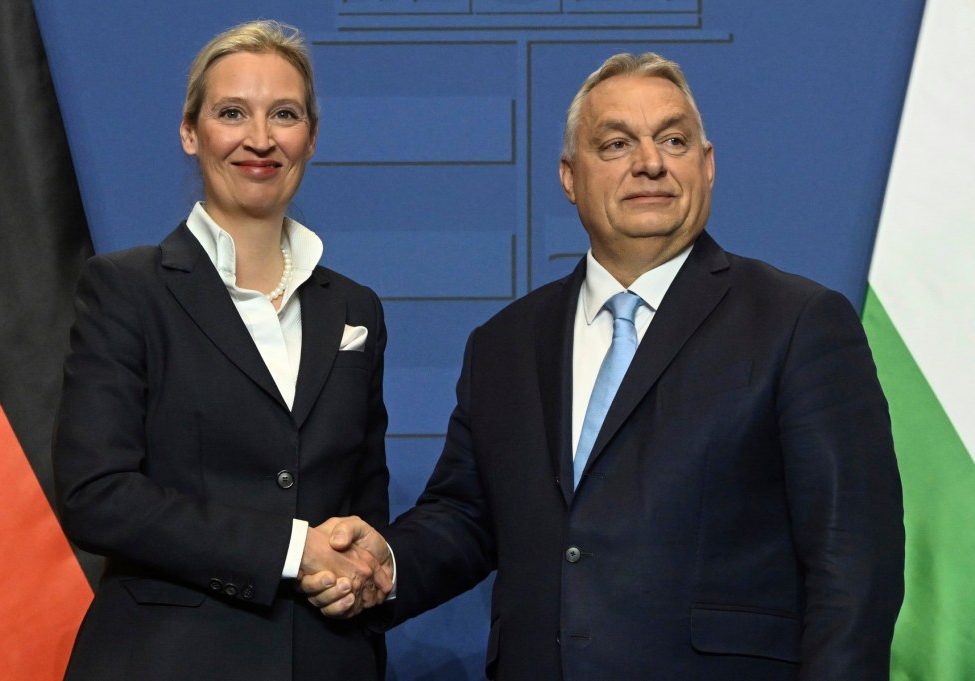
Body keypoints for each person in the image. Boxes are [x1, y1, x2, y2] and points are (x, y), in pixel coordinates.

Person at [305, 52, 905, 680]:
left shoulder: (797, 322)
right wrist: (388, 562)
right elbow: (467, 516)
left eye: (674, 140)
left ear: (707, 164)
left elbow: (854, 561)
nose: (651, 162)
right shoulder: (505, 344)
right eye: (617, 144)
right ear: (570, 177)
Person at [53, 20, 391, 681]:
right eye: (232, 112)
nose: (260, 138)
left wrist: (366, 560)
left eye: (284, 114)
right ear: (191, 132)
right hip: (167, 658)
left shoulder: (357, 309)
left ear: (311, 137)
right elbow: (97, 494)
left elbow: (363, 503)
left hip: (327, 659)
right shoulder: (127, 289)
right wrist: (291, 548)